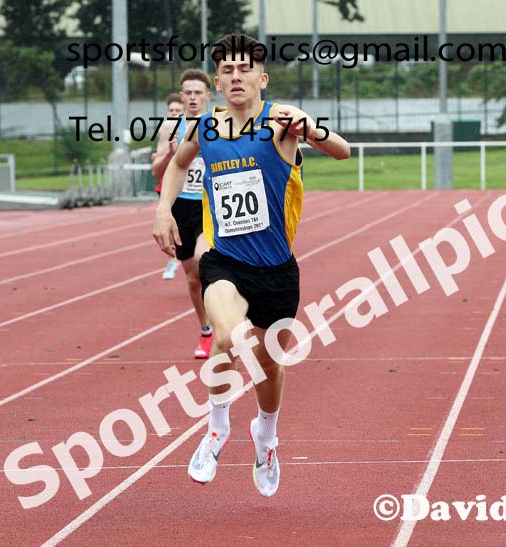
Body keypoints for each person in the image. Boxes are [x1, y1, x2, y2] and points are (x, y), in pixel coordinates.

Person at [152, 34, 350, 496]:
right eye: (227, 70)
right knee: (225, 336)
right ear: (218, 81)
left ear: (262, 78)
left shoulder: (280, 122)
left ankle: (266, 435)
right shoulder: (205, 128)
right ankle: (216, 427)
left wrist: (311, 129)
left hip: (278, 271)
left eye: (245, 70)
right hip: (225, 262)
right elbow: (178, 167)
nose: (235, 76)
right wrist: (163, 210)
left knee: (268, 364)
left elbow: (342, 150)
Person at [152, 70, 214, 357]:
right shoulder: (169, 128)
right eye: (187, 92)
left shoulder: (218, 124)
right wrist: (170, 155)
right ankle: (206, 331)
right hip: (182, 207)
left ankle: (227, 318)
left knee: (206, 261)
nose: (192, 97)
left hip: (210, 205)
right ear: (181, 94)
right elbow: (156, 171)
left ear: (208, 95)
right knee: (192, 277)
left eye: (197, 92)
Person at [154, 93, 184, 280]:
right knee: (171, 220)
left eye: (177, 111)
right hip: (168, 186)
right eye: (171, 110)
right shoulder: (166, 130)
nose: (174, 113)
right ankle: (174, 257)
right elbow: (157, 166)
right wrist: (165, 156)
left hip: (194, 191)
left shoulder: (195, 126)